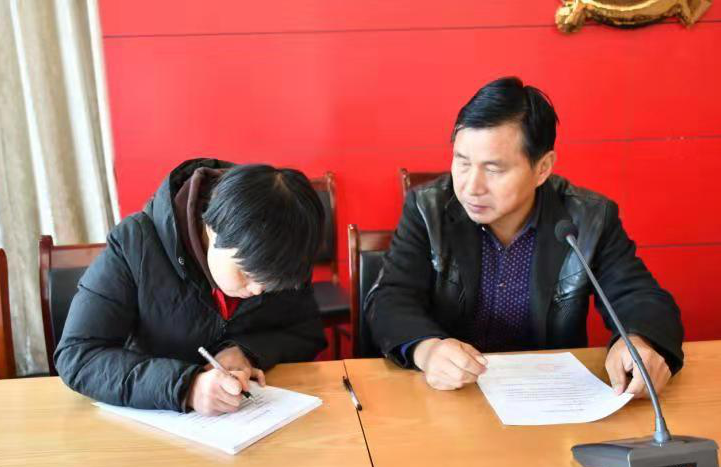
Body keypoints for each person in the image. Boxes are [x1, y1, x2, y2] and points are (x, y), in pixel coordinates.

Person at [366, 77, 683, 397]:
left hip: (550, 397)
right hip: (453, 394)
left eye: (494, 169)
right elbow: (390, 298)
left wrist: (638, 342)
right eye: (462, 163)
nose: (471, 186)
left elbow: (639, 296)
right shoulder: (427, 208)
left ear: (543, 167)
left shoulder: (589, 218)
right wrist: (428, 350)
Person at [56, 158, 327, 415]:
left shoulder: (280, 250)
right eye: (246, 273)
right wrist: (187, 387)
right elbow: (78, 356)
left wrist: (245, 352)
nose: (257, 290)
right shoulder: (134, 244)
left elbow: (306, 331)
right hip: (153, 426)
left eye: (269, 283)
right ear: (212, 228)